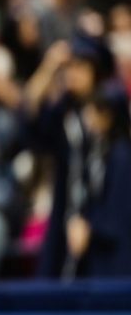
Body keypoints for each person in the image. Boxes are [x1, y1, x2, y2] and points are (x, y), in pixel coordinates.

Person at [25, 32, 114, 278]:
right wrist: (49, 66)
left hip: (103, 214)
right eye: (70, 67)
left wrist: (92, 221)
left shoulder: (109, 111)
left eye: (81, 67)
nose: (73, 74)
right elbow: (30, 114)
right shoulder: (64, 111)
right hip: (65, 209)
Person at [66, 82, 131, 278]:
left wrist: (89, 228)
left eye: (93, 111)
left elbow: (116, 211)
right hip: (99, 248)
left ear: (108, 115)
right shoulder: (101, 151)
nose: (88, 118)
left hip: (116, 254)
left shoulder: (122, 155)